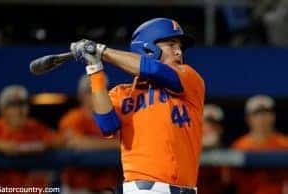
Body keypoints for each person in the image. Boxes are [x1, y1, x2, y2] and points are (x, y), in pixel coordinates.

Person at [70, 18, 205, 194]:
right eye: (171, 45)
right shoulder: (122, 93)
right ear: (148, 49)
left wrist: (103, 51)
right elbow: (106, 124)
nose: (178, 52)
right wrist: (95, 68)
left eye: (179, 47)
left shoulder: (189, 78)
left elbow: (154, 70)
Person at [0, 85, 59, 188]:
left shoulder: (34, 127)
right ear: (2, 109)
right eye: (13, 105)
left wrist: (37, 146)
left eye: (22, 104)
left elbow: (59, 141)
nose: (19, 110)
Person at [58, 75, 119, 194]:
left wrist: (89, 143)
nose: (96, 94)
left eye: (101, 89)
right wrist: (112, 144)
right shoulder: (72, 118)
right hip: (77, 186)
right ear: (80, 95)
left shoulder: (113, 117)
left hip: (107, 185)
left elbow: (123, 144)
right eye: (90, 91)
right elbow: (76, 143)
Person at [232, 94, 288, 194]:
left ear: (273, 116)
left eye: (266, 113)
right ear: (248, 118)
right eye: (257, 114)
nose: (262, 118)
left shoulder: (284, 144)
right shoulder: (239, 145)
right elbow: (230, 180)